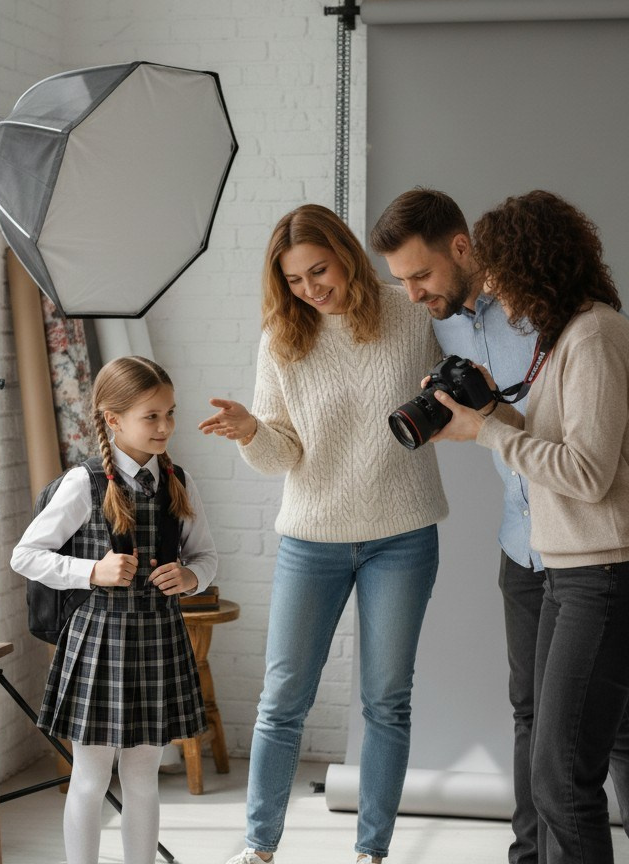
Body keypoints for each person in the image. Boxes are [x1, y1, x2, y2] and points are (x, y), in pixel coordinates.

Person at [370, 188, 629, 864]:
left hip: (603, 565)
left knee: (566, 770)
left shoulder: (592, 335)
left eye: (500, 274)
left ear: (529, 267)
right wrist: (489, 416)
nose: (492, 291)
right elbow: (552, 438)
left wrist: (488, 431)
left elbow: (588, 472)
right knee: (555, 758)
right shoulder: (566, 334)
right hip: (553, 555)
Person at [199, 204, 448, 864]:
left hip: (403, 533)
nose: (310, 289)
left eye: (319, 270)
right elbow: (285, 453)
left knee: (387, 701)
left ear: (345, 255)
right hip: (313, 537)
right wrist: (253, 431)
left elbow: (456, 390)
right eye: (294, 280)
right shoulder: (283, 338)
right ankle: (258, 849)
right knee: (283, 701)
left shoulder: (408, 314)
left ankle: (372, 853)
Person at [10, 356, 217, 864]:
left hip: (159, 637)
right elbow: (25, 555)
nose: (166, 426)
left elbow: (207, 557)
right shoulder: (84, 484)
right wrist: (91, 572)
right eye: (152, 416)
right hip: (99, 640)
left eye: (170, 413)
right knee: (90, 775)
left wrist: (192, 577)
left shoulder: (178, 481)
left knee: (144, 775)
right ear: (113, 418)